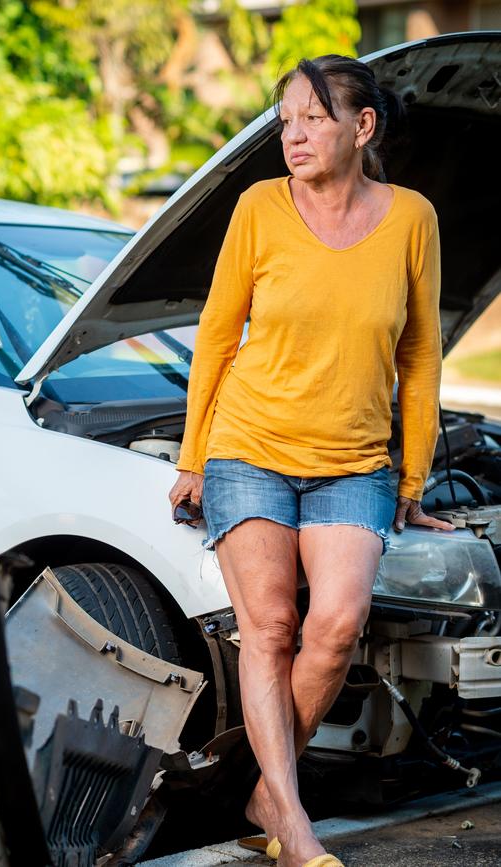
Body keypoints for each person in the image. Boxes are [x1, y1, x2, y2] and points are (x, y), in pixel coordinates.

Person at [168, 54, 455, 867]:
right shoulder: (259, 208)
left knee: (334, 627)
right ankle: (293, 827)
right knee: (271, 627)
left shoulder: (413, 219)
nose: (291, 135)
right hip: (249, 446)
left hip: (353, 460)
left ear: (362, 128)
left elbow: (422, 354)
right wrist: (194, 455)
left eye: (312, 118)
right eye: (284, 118)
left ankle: (263, 789)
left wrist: (411, 477)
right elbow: (218, 336)